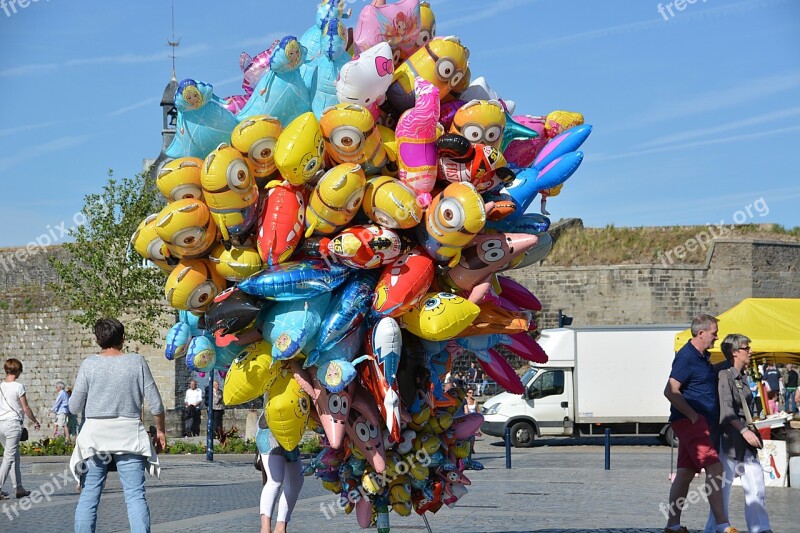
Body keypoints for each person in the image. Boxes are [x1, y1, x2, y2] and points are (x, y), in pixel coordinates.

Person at [69, 318, 166, 533]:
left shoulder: (89, 364)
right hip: (128, 434)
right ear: (123, 338)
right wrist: (160, 431)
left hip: (95, 437)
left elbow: (74, 406)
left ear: (97, 339)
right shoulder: (137, 361)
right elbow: (157, 404)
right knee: (135, 495)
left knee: (89, 495)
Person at [663, 313, 739, 533]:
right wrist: (693, 416)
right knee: (715, 467)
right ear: (701, 332)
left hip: (698, 422)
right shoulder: (687, 357)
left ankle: (673, 525)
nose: (716, 337)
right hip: (691, 423)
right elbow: (670, 390)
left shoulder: (701, 357)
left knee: (685, 473)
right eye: (714, 333)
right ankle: (723, 526)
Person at [704, 334, 771, 533]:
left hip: (744, 439)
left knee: (756, 484)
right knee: (722, 491)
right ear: (734, 352)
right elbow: (726, 410)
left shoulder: (742, 375)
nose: (750, 350)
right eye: (746, 347)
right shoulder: (724, 374)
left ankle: (760, 528)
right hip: (728, 439)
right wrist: (743, 430)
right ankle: (715, 528)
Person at [0, 358, 41, 500]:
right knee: (9, 458)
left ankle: (19, 488)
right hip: (12, 425)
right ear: (17, 371)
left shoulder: (1, 386)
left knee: (14, 457)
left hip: (1, 424)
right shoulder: (18, 387)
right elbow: (26, 408)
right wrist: (35, 421)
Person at [256, 413, 303, 533]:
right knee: (275, 480)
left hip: (290, 435)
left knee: (296, 481)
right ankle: (265, 529)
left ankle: (280, 528)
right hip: (270, 430)